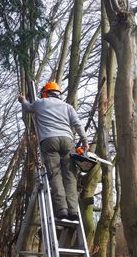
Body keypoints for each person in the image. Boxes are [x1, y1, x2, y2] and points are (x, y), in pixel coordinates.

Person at [18, 82, 89, 220]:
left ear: (45, 93)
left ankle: (62, 209)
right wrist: (85, 140)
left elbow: (27, 108)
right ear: (59, 94)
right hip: (67, 140)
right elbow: (77, 124)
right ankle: (73, 211)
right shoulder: (68, 107)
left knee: (55, 175)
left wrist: (22, 100)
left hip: (49, 140)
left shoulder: (40, 103)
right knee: (69, 176)